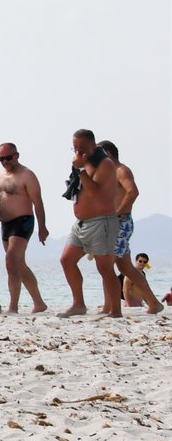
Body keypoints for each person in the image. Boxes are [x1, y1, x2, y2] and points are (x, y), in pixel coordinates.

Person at [58, 129, 123, 318]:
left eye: (82, 148)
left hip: (101, 222)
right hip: (81, 223)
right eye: (75, 148)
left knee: (105, 268)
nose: (78, 152)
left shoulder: (105, 164)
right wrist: (79, 167)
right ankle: (78, 304)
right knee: (66, 260)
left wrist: (80, 169)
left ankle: (115, 311)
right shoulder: (83, 163)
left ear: (94, 146)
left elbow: (95, 193)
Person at [0, 143, 49, 313]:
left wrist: (42, 227)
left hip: (23, 221)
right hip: (6, 224)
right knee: (18, 264)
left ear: (17, 155)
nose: (5, 161)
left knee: (11, 260)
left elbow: (38, 202)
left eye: (8, 157)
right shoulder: (0, 176)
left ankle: (13, 307)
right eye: (1, 158)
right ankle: (39, 303)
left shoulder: (27, 175)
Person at [98, 141, 163, 314]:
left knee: (106, 264)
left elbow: (132, 192)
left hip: (120, 222)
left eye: (98, 154)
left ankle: (109, 306)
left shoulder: (121, 170)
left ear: (108, 154)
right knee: (126, 268)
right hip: (113, 222)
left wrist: (117, 214)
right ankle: (154, 303)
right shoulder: (109, 174)